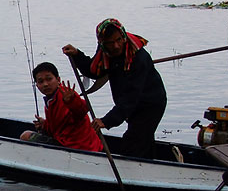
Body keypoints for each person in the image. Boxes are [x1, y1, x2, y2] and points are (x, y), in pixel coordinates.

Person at [62, 18, 166, 158]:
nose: (116, 46)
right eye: (110, 43)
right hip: (131, 105)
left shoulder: (138, 57)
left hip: (150, 103)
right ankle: (151, 165)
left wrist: (107, 120)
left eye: (118, 40)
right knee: (143, 140)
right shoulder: (106, 52)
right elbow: (94, 71)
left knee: (134, 141)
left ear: (123, 36)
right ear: (103, 43)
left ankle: (138, 172)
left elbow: (131, 97)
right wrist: (77, 55)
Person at [19, 61, 102, 152]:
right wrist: (45, 124)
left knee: (26, 136)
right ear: (37, 85)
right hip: (68, 143)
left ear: (58, 80)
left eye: (49, 79)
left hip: (80, 147)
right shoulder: (50, 100)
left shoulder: (67, 95)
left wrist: (71, 101)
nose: (45, 84)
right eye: (41, 81)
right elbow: (58, 128)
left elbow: (83, 110)